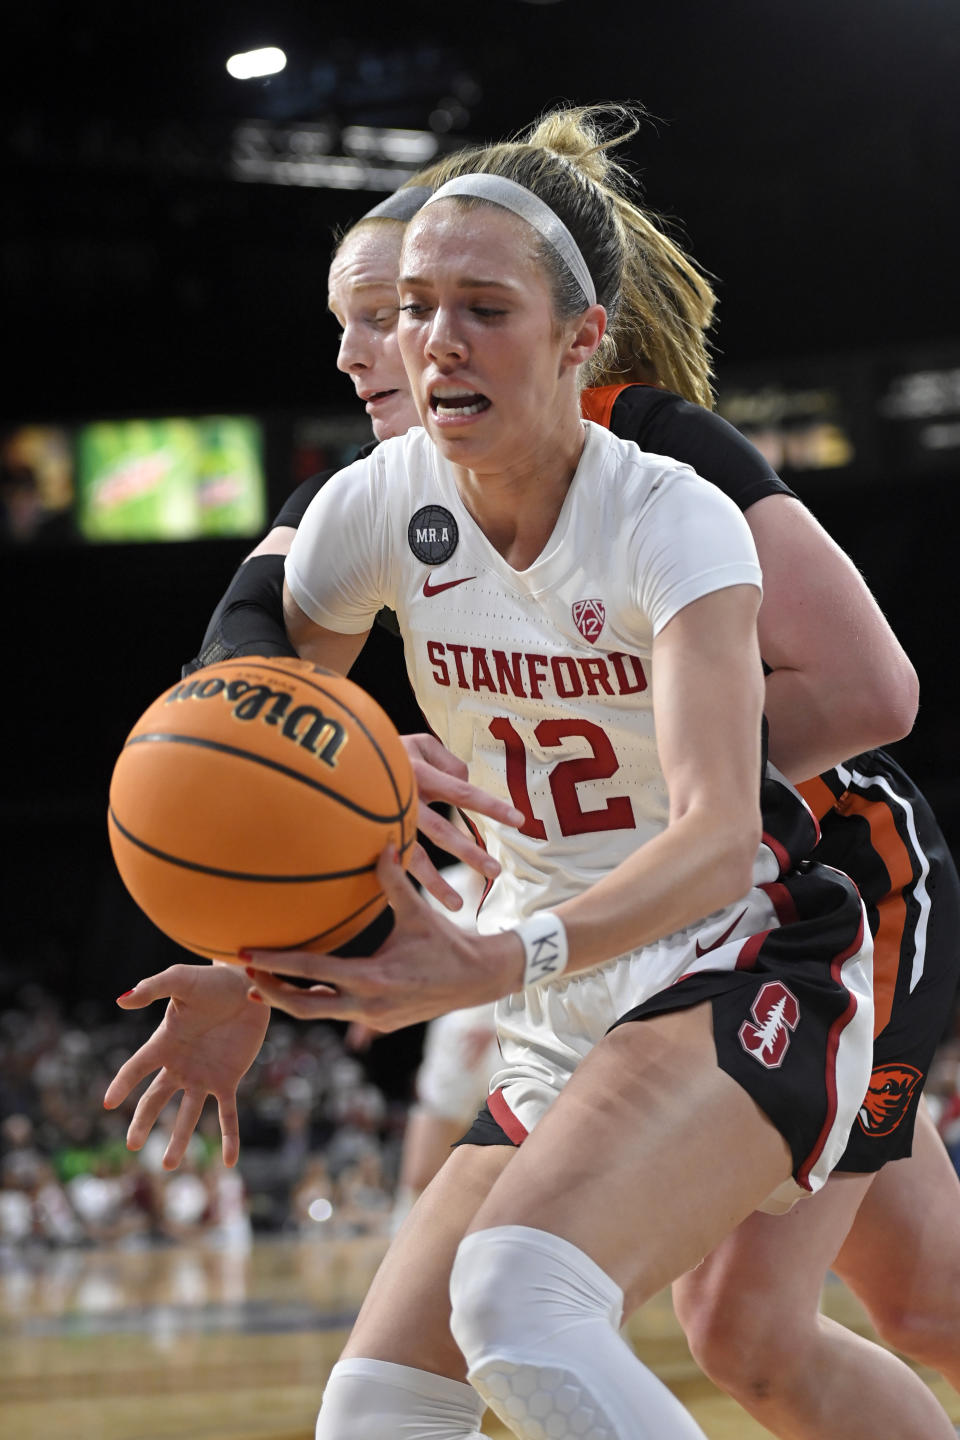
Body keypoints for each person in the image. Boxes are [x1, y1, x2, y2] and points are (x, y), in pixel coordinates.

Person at [102, 110, 960, 1437]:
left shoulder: (665, 475)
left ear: (574, 332)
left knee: (604, 1308)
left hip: (801, 891)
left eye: (451, 306)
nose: (382, 345)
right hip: (587, 948)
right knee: (436, 1393)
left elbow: (870, 698)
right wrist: (242, 951)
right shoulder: (385, 494)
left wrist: (605, 800)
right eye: (391, 311)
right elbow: (238, 704)